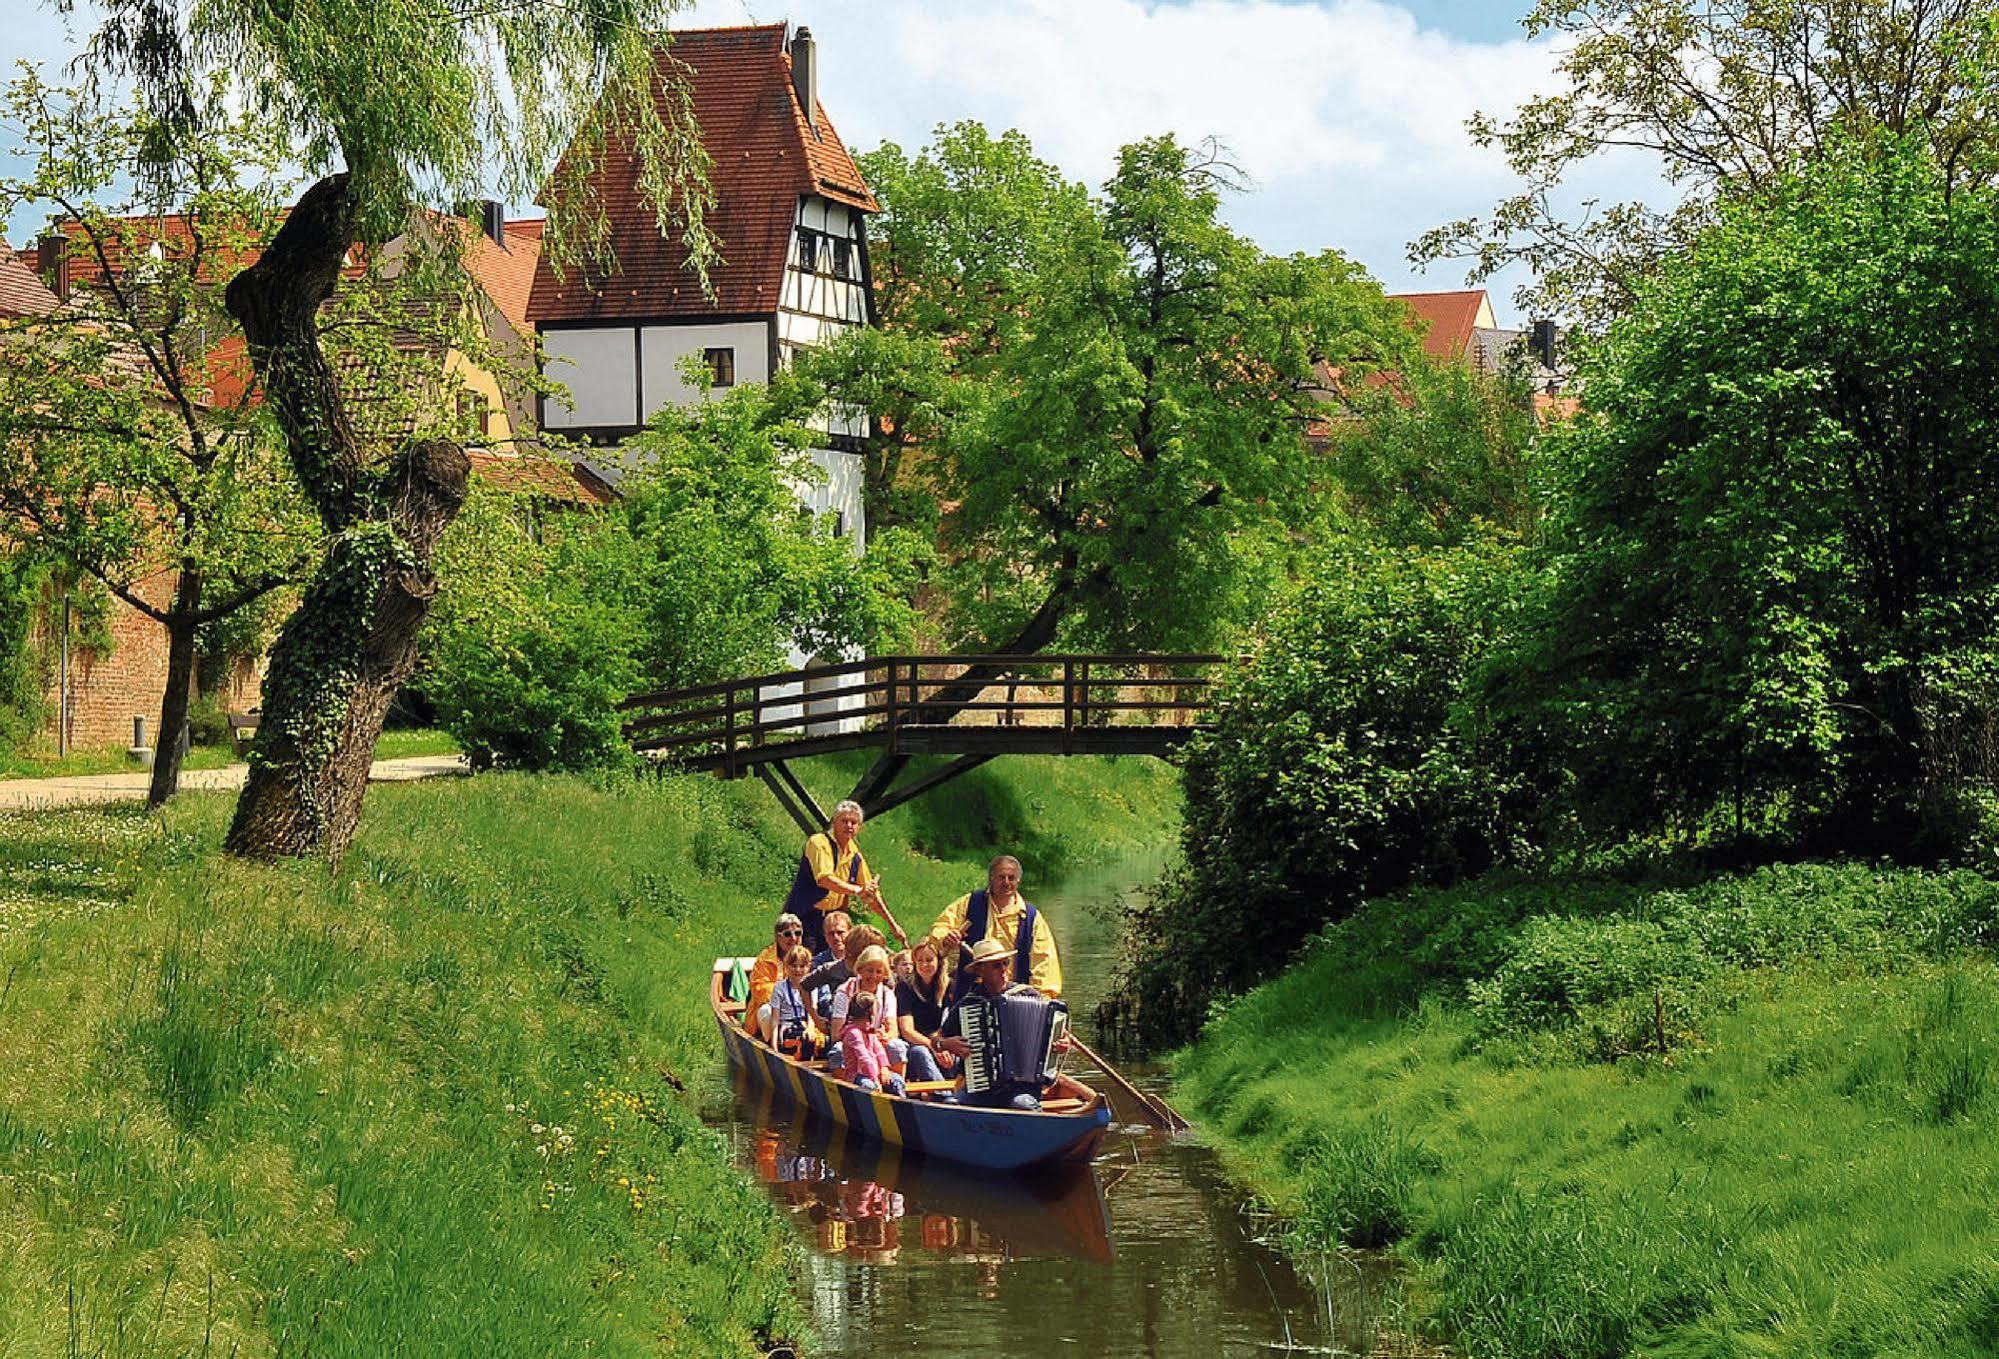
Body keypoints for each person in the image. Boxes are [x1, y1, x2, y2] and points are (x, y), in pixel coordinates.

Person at [937, 937, 1063, 1109]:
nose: (1004, 969)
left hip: (1024, 1087)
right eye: (996, 965)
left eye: (1006, 963)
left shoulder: (1028, 995)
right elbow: (937, 1040)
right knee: (952, 1105)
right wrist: (945, 1044)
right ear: (980, 971)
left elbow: (1057, 1039)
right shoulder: (970, 1003)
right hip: (983, 1087)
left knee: (1022, 1105)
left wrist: (1062, 1045)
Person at [927, 854, 1063, 1001]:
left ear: (1018, 880)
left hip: (1016, 996)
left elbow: (1044, 961)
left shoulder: (1032, 917)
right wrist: (947, 937)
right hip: (973, 992)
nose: (1006, 882)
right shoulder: (971, 903)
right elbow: (940, 928)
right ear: (991, 878)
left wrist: (1043, 998)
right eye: (1001, 877)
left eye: (1011, 878)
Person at [782, 800, 903, 954]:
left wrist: (893, 926)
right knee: (800, 962)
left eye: (854, 822)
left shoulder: (855, 855)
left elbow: (871, 895)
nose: (849, 826)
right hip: (805, 916)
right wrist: (858, 890)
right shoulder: (819, 842)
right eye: (844, 821)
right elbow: (825, 879)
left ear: (859, 827)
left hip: (832, 922)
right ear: (834, 822)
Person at [832, 944, 946, 1085]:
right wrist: (860, 1036)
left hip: (877, 1042)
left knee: (897, 1046)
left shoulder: (887, 994)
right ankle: (844, 1088)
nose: (874, 976)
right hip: (851, 1040)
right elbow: (836, 1034)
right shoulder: (845, 991)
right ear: (860, 970)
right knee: (837, 1051)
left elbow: (893, 1030)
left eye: (879, 972)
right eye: (869, 971)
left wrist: (884, 1036)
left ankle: (895, 1086)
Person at [895, 937, 956, 1081]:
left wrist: (942, 1044)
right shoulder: (905, 987)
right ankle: (945, 1096)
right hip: (917, 1043)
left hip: (943, 1040)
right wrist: (934, 1046)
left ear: (939, 961)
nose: (924, 965)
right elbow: (907, 1030)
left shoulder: (951, 986)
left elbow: (951, 1022)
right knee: (920, 1052)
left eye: (929, 960)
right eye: (919, 961)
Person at [759, 944, 824, 1060]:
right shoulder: (780, 988)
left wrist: (810, 1028)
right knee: (802, 1041)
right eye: (794, 966)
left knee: (815, 1039)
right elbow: (774, 1019)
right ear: (786, 966)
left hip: (804, 1025)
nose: (798, 970)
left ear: (808, 967)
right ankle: (800, 1063)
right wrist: (774, 1046)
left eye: (802, 966)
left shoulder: (811, 986)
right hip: (787, 1027)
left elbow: (812, 1011)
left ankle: (810, 1064)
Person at [745, 913, 806, 1030]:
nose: (793, 938)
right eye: (787, 934)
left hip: (799, 1006)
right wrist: (786, 996)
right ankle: (773, 1045)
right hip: (771, 1006)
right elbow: (759, 989)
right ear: (778, 937)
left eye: (797, 933)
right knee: (767, 1011)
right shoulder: (765, 958)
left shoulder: (806, 956)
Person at [840, 992, 904, 1095]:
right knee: (869, 1086)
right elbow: (864, 1058)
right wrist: (875, 1079)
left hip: (875, 1071)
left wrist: (884, 1068)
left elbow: (879, 1051)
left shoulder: (870, 1030)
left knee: (897, 1080)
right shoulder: (853, 1033)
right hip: (858, 1074)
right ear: (869, 1012)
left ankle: (901, 1103)